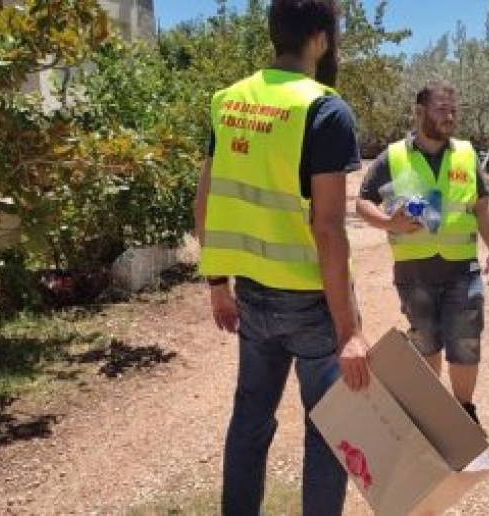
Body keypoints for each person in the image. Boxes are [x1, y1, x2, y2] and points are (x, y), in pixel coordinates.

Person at [192, 1, 369, 514]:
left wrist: (217, 286)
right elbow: (329, 230)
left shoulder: (226, 101)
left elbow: (204, 202)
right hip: (312, 304)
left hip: (250, 297)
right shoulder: (324, 109)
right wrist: (350, 329)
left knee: (249, 425)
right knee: (326, 432)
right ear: (319, 39)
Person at [356, 81, 489, 427]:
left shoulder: (466, 154)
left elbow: (482, 207)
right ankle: (432, 415)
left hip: (462, 271)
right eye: (441, 109)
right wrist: (388, 223)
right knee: (426, 343)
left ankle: (465, 414)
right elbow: (362, 203)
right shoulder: (392, 158)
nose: (449, 117)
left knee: (465, 341)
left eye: (453, 110)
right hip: (414, 274)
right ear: (419, 112)